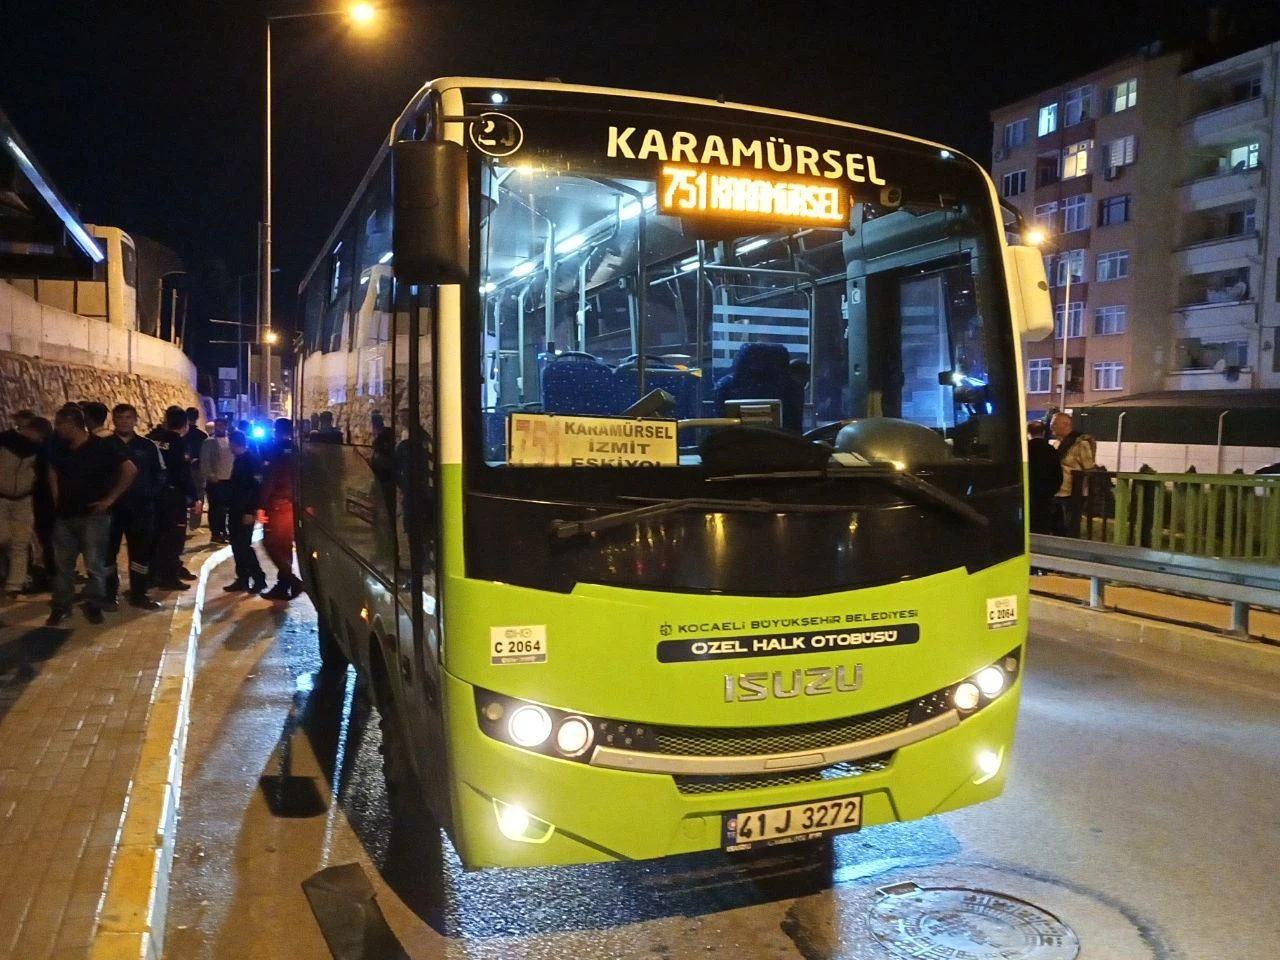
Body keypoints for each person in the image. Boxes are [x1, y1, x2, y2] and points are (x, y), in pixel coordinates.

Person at [46, 404, 137, 625]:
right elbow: (52, 470)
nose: (56, 428)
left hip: (94, 516)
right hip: (65, 515)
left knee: (94, 564)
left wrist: (110, 499)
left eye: (60, 424)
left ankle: (95, 604)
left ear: (72, 424)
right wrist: (57, 497)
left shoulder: (101, 447)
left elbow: (130, 469)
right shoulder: (60, 447)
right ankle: (61, 606)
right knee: (63, 565)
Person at [104, 404, 165, 611]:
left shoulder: (148, 446)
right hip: (112, 510)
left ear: (135, 420)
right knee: (107, 553)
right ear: (113, 420)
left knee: (140, 553)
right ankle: (109, 594)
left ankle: (139, 593)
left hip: (141, 510)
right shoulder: (104, 446)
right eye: (120, 417)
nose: (124, 421)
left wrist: (148, 495)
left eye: (128, 417)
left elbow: (160, 475)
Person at [148, 407, 197, 590]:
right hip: (173, 497)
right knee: (174, 539)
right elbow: (182, 473)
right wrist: (193, 498)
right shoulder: (179, 443)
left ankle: (152, 576)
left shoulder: (151, 439)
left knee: (155, 537)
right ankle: (169, 577)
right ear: (185, 425)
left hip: (153, 496)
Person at [0, 416, 44, 597]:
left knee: (21, 541)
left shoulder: (36, 449)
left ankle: (15, 584)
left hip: (24, 499)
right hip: (1, 498)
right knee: (3, 537)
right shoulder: (3, 441)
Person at [259, 418, 302, 600]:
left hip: (276, 505)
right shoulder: (297, 450)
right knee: (285, 545)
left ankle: (294, 582)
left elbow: (269, 480)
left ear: (276, 431)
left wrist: (260, 506)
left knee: (270, 544)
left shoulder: (276, 451)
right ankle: (283, 586)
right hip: (292, 504)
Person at [224, 430, 267, 593]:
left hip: (245, 511)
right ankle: (242, 579)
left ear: (234, 443)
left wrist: (250, 510)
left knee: (243, 546)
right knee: (237, 545)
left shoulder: (251, 460)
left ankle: (259, 578)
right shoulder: (240, 459)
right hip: (236, 509)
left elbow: (256, 488)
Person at [1050, 412, 1096, 537]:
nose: (1051, 426)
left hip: (1072, 494)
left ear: (1066, 424)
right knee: (1057, 529)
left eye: (1054, 423)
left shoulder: (1080, 443)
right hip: (1057, 492)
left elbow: (1089, 467)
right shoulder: (1057, 443)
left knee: (1070, 528)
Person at [200, 418, 234, 544]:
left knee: (226, 509)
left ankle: (224, 532)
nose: (220, 428)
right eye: (218, 425)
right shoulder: (209, 442)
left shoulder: (230, 440)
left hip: (229, 480)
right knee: (215, 508)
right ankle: (216, 533)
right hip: (216, 481)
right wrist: (210, 475)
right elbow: (205, 461)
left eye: (222, 425)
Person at [1026, 420, 1061, 536]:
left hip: (1028, 493)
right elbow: (1058, 474)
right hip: (1046, 494)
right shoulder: (1051, 450)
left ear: (1028, 432)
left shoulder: (1025, 450)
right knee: (1042, 523)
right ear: (1044, 432)